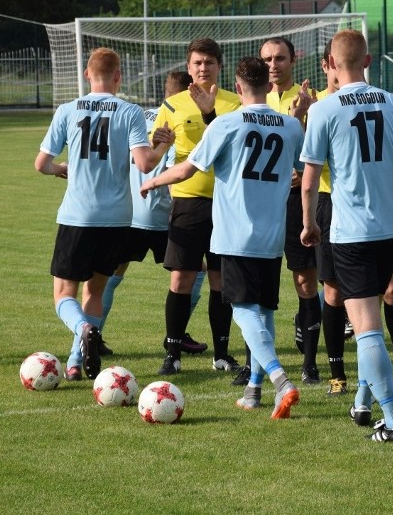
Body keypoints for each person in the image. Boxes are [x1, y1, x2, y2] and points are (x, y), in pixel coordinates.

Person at [140, 56, 302, 420]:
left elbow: (187, 169)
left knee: (244, 310)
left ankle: (280, 381)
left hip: (235, 234)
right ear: (269, 85)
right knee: (263, 310)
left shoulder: (227, 124)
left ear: (238, 85)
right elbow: (302, 171)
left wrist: (152, 180)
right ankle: (254, 389)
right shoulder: (291, 127)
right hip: (272, 234)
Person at [301, 29, 393, 442]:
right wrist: (389, 177)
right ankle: (362, 399)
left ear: (332, 65)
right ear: (368, 61)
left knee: (367, 328)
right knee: (372, 314)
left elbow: (309, 179)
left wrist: (309, 224)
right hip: (390, 228)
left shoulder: (323, 109)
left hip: (351, 232)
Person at [61, 71, 207, 381]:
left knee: (107, 278)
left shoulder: (139, 114)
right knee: (196, 270)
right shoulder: (179, 120)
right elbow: (172, 169)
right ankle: (176, 334)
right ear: (187, 95)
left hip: (126, 215)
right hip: (165, 215)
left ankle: (86, 342)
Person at [35, 47, 170, 380]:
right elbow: (145, 163)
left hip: (78, 216)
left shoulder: (67, 110)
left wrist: (60, 169)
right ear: (118, 76)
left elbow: (41, 164)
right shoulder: (130, 112)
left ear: (87, 74)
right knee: (94, 292)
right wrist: (162, 144)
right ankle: (74, 364)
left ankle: (82, 328)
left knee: (63, 294)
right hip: (117, 218)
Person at [151, 38, 242, 377]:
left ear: (220, 65)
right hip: (188, 202)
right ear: (188, 68)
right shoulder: (171, 106)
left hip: (226, 203)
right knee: (182, 277)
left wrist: (210, 112)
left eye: (209, 62)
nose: (203, 68)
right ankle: (172, 352)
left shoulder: (235, 103)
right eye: (197, 63)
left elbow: (235, 146)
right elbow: (154, 156)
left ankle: (221, 353)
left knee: (221, 280)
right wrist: (154, 149)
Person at [255, 36, 321, 386]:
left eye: (280, 57)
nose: (273, 64)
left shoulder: (313, 100)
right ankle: (256, 366)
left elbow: (326, 150)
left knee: (304, 280)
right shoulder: (248, 101)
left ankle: (310, 362)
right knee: (257, 284)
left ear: (293, 60)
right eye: (267, 58)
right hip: (260, 204)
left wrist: (304, 170)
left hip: (296, 203)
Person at [310, 40, 353, 397]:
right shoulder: (319, 106)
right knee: (333, 291)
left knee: (389, 289)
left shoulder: (372, 100)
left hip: (368, 205)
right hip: (328, 201)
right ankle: (337, 373)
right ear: (328, 65)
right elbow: (307, 164)